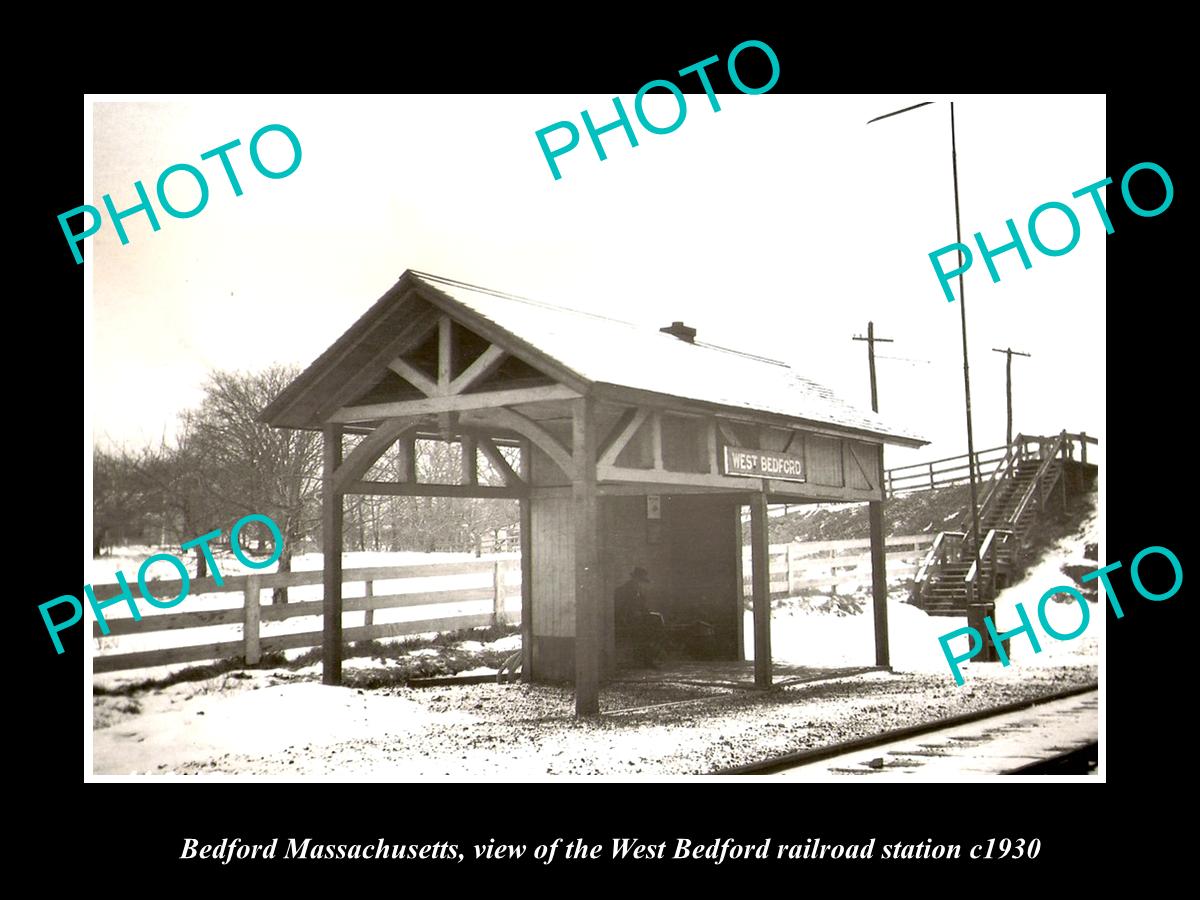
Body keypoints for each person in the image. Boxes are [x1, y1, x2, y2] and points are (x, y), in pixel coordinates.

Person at [613, 567, 665, 668]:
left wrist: (646, 613)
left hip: (637, 617)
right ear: (635, 578)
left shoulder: (637, 590)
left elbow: (642, 607)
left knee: (656, 620)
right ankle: (647, 659)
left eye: (642, 581)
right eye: (640, 580)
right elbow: (622, 607)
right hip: (626, 619)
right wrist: (632, 614)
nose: (641, 583)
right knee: (649, 629)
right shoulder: (625, 589)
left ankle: (651, 656)